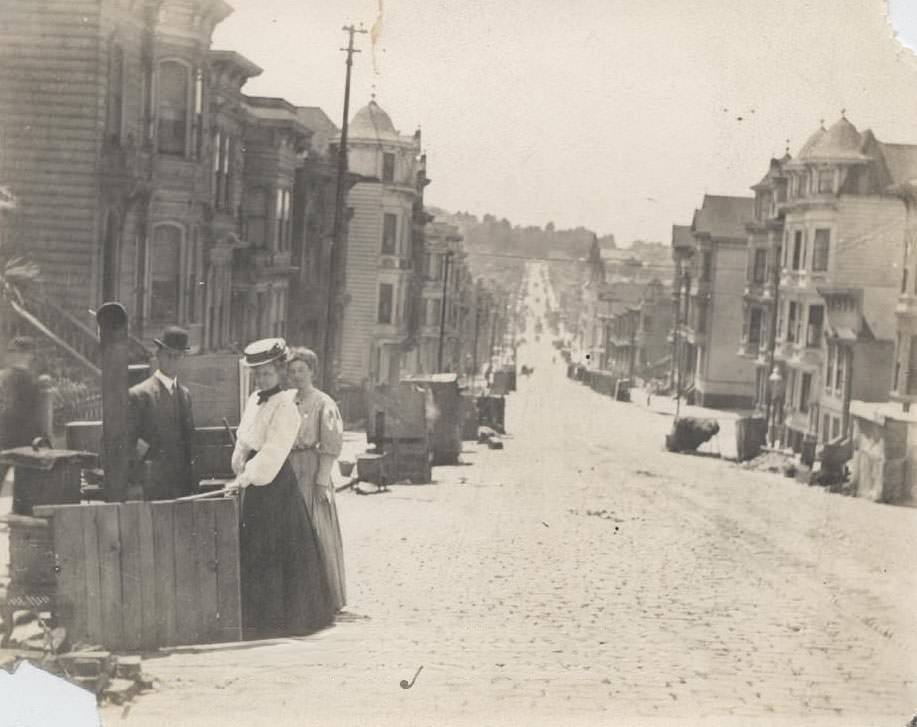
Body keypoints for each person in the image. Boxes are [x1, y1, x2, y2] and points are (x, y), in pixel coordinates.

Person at [229, 338, 333, 639]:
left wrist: (247, 475)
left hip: (273, 482)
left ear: (279, 372)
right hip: (252, 477)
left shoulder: (286, 406)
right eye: (258, 374)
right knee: (254, 546)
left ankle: (279, 619)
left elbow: (275, 449)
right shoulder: (254, 399)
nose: (262, 379)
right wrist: (238, 456)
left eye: (268, 374)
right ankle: (255, 617)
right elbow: (246, 435)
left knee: (275, 548)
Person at [286, 347, 346, 612]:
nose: (297, 376)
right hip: (287, 467)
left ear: (312, 371)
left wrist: (321, 480)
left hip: (311, 467)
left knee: (316, 527)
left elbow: (331, 445)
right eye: (292, 371)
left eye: (302, 370)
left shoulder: (324, 403)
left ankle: (327, 597)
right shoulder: (286, 400)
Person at [127, 326, 196, 500]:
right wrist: (135, 483)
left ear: (183, 359)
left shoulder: (185, 395)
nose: (172, 360)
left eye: (178, 356)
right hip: (152, 487)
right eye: (168, 355)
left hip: (181, 487)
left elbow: (189, 444)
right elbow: (130, 444)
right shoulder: (140, 394)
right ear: (158, 355)